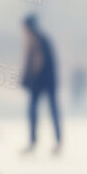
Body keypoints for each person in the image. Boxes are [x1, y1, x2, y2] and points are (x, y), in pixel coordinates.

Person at [20, 14, 61, 155]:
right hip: (39, 83)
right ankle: (34, 141)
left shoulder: (39, 41)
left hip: (45, 82)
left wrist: (28, 79)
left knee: (51, 111)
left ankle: (57, 141)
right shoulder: (34, 41)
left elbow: (38, 63)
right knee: (34, 111)